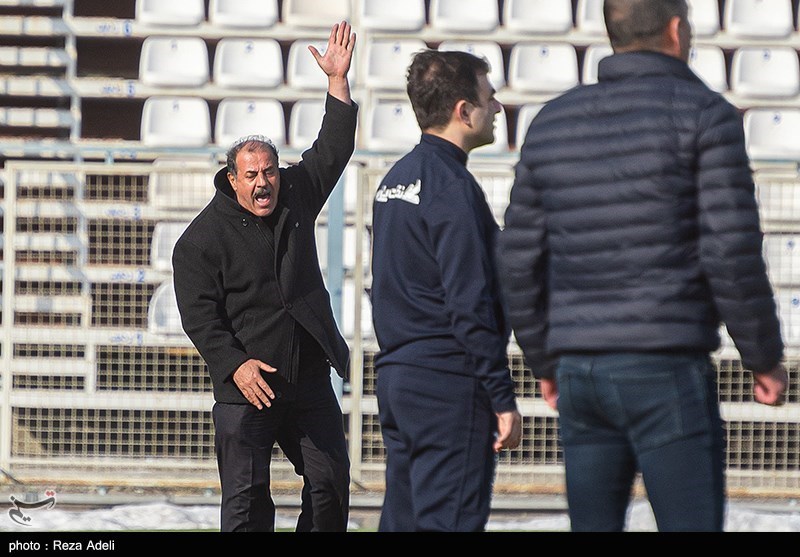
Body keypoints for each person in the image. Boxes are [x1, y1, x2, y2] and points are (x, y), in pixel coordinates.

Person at [497, 0, 789, 532]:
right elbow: (730, 250)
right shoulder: (705, 114)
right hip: (666, 364)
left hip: (580, 367)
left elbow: (518, 260)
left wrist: (544, 359)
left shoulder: (551, 122)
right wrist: (762, 356)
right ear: (676, 30)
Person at [171, 21, 357, 532]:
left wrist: (337, 83)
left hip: (307, 379)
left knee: (329, 488)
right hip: (247, 386)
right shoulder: (199, 240)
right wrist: (235, 365)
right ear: (232, 180)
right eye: (251, 175)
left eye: (270, 171)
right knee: (247, 505)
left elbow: (333, 151)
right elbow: (199, 318)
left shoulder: (296, 194)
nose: (263, 183)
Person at [369, 49, 523, 532]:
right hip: (447, 384)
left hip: (400, 378)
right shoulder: (451, 186)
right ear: (463, 110)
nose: (497, 108)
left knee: (404, 522)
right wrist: (501, 396)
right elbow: (469, 302)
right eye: (489, 98)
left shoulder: (393, 181)